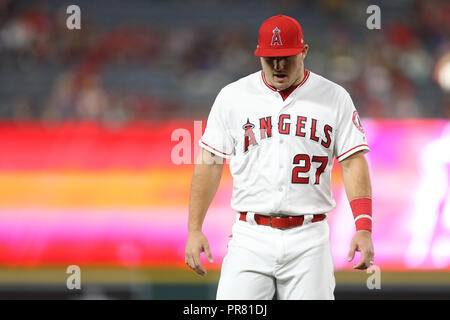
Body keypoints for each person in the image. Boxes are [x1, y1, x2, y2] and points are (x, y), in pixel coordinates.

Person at [185, 14, 374, 300]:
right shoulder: (233, 96)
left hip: (310, 237)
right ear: (258, 55)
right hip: (250, 235)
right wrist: (194, 229)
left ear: (304, 51)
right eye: (270, 58)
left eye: (286, 56)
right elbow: (210, 162)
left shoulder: (334, 97)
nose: (278, 65)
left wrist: (363, 227)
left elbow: (352, 161)